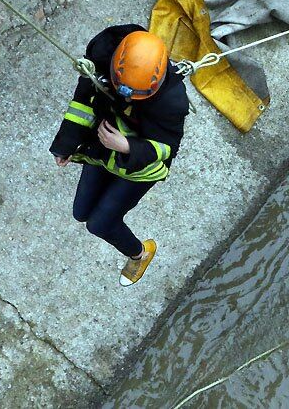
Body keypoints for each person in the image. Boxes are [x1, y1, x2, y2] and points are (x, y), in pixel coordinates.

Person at [50, 25, 188, 285]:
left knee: (99, 224)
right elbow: (83, 102)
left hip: (138, 169)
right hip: (102, 152)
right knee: (80, 212)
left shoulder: (171, 101)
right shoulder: (101, 61)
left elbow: (167, 149)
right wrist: (67, 143)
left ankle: (140, 254)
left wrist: (127, 147)